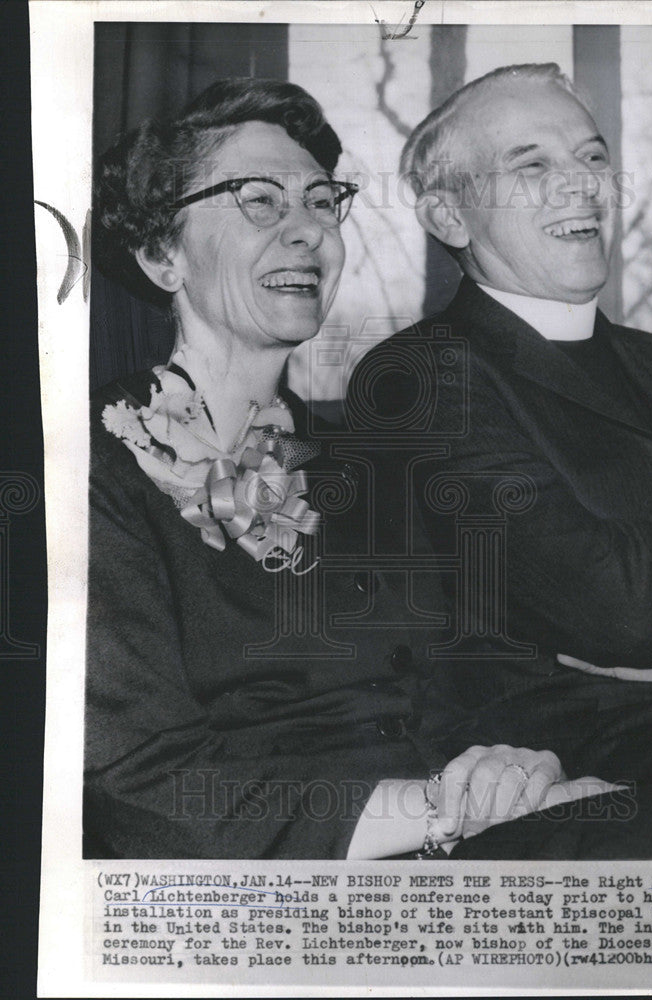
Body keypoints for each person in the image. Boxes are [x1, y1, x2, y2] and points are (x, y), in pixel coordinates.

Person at [86, 77, 615, 862]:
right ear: (163, 253)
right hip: (251, 888)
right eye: (259, 201)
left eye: (322, 202)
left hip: (448, 844)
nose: (308, 233)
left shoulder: (369, 464)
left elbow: (467, 678)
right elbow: (133, 785)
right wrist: (438, 809)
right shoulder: (90, 469)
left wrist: (509, 763)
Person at [346, 64, 652, 857]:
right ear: (448, 216)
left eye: (593, 158)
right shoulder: (419, 374)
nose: (580, 184)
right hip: (562, 764)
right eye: (531, 165)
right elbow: (617, 604)